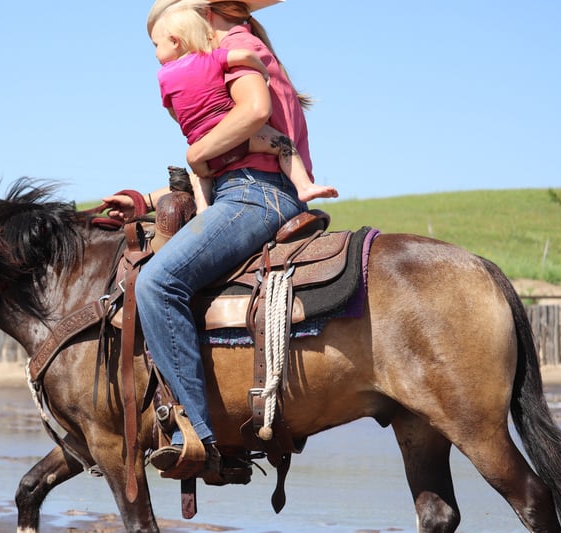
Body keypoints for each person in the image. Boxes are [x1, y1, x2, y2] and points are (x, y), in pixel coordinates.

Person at [104, 0, 323, 474]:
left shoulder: (239, 45)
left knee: (158, 283)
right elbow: (224, 159)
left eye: (164, 39)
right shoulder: (240, 50)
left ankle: (194, 433)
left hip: (255, 195)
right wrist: (146, 199)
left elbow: (254, 114)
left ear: (197, 20)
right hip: (246, 188)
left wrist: (195, 152)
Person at [152, 4, 338, 209]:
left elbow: (255, 110)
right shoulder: (225, 54)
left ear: (205, 15)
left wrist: (196, 151)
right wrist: (144, 201)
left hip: (253, 186)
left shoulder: (233, 44)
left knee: (192, 224)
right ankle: (305, 186)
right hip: (258, 181)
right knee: (283, 144)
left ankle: (204, 209)